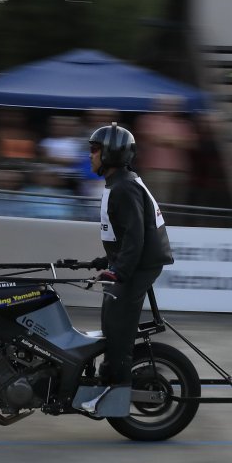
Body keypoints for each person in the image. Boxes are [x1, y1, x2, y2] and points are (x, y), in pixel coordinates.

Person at [80, 123, 174, 419]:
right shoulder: (119, 183)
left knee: (118, 327)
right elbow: (123, 237)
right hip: (135, 263)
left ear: (111, 153)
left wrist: (118, 271)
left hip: (140, 266)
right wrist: (104, 262)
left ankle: (115, 391)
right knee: (110, 317)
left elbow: (135, 237)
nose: (90, 155)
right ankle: (107, 379)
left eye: (95, 150)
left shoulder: (123, 188)